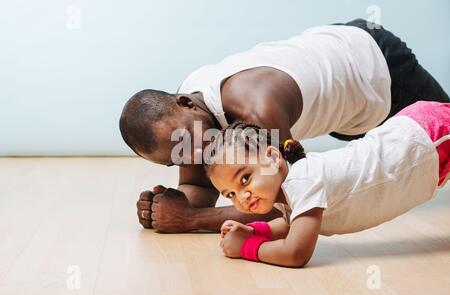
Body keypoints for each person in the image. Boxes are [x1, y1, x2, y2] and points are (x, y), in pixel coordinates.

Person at [119, 18, 450, 233]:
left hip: (377, 68)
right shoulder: (190, 123)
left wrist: (191, 219)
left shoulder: (256, 110)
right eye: (177, 158)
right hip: (339, 101)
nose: (195, 157)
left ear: (187, 103)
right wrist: (166, 205)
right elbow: (203, 188)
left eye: (188, 142)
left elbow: (298, 198)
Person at [204, 101, 450, 268]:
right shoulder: (289, 190)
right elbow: (292, 224)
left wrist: (247, 247)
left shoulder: (302, 180)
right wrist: (256, 230)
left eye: (245, 178)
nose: (242, 197)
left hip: (424, 140)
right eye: (230, 194)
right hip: (421, 151)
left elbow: (296, 252)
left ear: (272, 157)